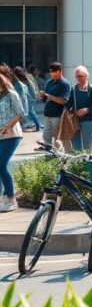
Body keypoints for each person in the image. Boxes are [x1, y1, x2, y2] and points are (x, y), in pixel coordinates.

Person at [0, 70, 24, 212]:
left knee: (1, 165)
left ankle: (11, 198)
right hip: (1, 135)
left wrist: (7, 126)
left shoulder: (11, 95)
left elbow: (20, 113)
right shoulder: (1, 96)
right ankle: (4, 198)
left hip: (11, 135)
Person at [66, 66, 92, 151]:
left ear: (86, 76)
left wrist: (87, 110)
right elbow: (68, 104)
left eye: (80, 76)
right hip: (75, 121)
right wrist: (71, 109)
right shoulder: (73, 89)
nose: (78, 78)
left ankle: (89, 163)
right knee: (76, 147)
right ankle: (78, 163)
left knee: (87, 147)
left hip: (89, 120)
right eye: (76, 76)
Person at [39, 62, 71, 150]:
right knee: (46, 136)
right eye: (50, 71)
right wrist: (43, 96)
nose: (51, 73)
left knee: (57, 139)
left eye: (53, 71)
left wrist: (51, 97)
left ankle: (58, 156)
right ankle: (49, 155)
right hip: (48, 114)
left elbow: (64, 100)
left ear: (59, 71)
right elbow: (45, 98)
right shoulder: (49, 82)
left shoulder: (65, 83)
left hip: (58, 115)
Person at [15, 67, 41, 132]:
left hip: (29, 99)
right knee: (27, 112)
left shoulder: (24, 79)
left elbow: (32, 88)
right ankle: (27, 125)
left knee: (30, 112)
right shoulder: (24, 79)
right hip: (29, 98)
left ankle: (38, 125)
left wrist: (35, 96)